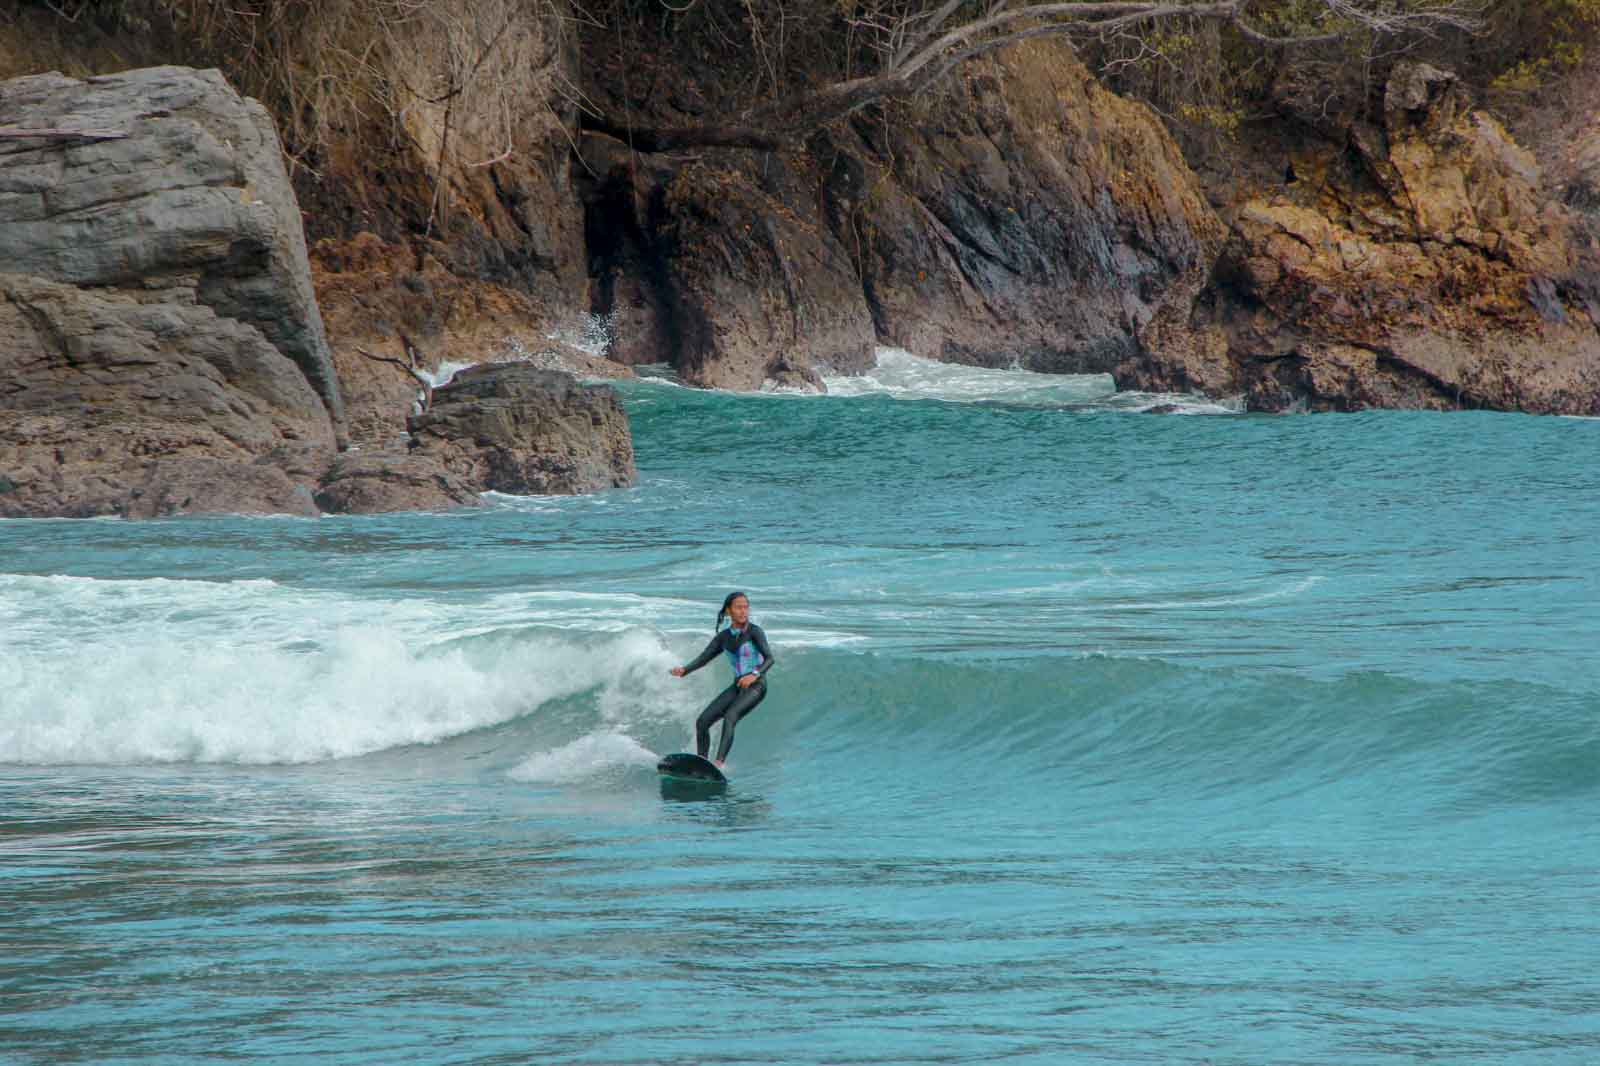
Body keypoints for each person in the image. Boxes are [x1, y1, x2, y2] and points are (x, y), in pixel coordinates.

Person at [669, 591, 774, 766]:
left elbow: (770, 659)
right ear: (728, 611)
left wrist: (754, 675)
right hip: (737, 686)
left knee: (730, 716)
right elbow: (704, 658)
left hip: (757, 686)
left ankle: (718, 763)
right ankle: (702, 763)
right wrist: (684, 670)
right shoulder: (723, 637)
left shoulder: (755, 632)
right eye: (738, 607)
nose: (743, 611)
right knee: (702, 722)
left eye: (746, 607)